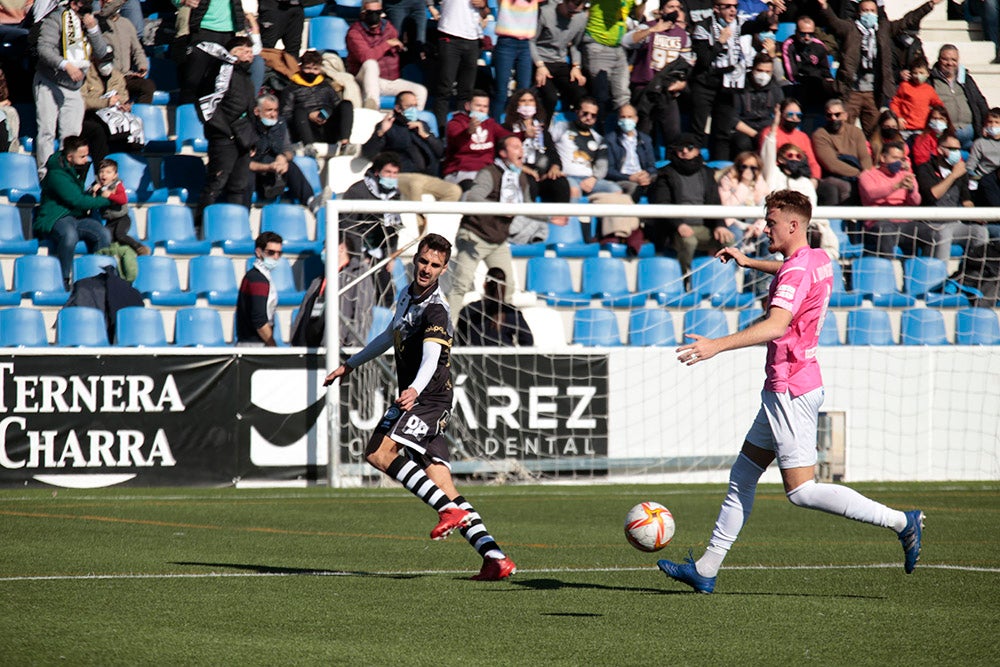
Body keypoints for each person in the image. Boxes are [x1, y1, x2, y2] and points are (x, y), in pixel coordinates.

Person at [658, 190, 925, 595]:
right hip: (792, 384)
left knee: (801, 491)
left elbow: (776, 325)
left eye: (771, 222)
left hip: (790, 387)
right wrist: (751, 262)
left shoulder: (796, 271)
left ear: (794, 225)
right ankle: (706, 570)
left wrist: (715, 345)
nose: (765, 228)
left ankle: (902, 522)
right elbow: (789, 271)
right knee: (743, 475)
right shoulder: (817, 258)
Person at [323, 233, 518, 582]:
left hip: (428, 397)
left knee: (379, 452)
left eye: (434, 265)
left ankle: (447, 512)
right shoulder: (407, 294)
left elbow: (431, 357)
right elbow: (388, 336)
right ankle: (494, 557)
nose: (427, 269)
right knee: (443, 484)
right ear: (417, 260)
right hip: (419, 396)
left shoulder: (437, 310)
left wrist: (413, 388)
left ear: (444, 269)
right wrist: (349, 365)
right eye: (423, 261)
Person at [447, 135, 554, 317]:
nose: (521, 151)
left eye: (521, 147)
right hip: (474, 235)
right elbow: (473, 197)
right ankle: (445, 335)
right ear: (503, 153)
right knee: (460, 285)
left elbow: (526, 206)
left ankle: (499, 332)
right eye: (515, 147)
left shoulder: (521, 178)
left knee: (507, 289)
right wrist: (500, 208)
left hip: (497, 240)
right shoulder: (489, 173)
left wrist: (550, 216)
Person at [817, 0, 939, 136]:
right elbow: (833, 22)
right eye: (865, 11)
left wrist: (930, 4)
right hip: (851, 91)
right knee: (844, 132)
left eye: (872, 11)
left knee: (874, 134)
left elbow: (908, 20)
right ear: (858, 13)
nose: (869, 14)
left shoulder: (884, 28)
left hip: (874, 93)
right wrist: (824, 6)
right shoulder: (850, 28)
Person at [362, 91, 462, 231]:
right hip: (400, 176)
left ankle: (434, 227)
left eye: (415, 105)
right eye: (409, 106)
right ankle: (421, 231)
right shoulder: (389, 126)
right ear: (398, 108)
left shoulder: (423, 125)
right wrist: (381, 132)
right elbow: (368, 152)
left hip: (427, 176)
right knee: (416, 184)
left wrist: (426, 136)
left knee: (454, 190)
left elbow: (440, 152)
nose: (413, 109)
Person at [689, 0, 772, 160]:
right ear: (716, 8)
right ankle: (695, 167)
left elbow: (757, 26)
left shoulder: (739, 24)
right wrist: (720, 41)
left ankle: (719, 165)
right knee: (698, 130)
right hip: (704, 84)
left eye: (735, 6)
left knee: (723, 131)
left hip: (727, 84)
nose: (733, 10)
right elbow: (704, 60)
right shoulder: (703, 27)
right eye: (728, 7)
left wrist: (770, 15)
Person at [33, 0, 110, 172]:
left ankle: (66, 174)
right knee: (47, 132)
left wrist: (93, 30)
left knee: (72, 136)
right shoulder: (56, 18)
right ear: (74, 4)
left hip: (74, 87)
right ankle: (45, 175)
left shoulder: (90, 21)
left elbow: (102, 52)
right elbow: (44, 49)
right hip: (49, 81)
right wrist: (66, 65)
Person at [34, 136, 113, 289]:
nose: (86, 159)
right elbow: (77, 200)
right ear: (70, 157)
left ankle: (98, 279)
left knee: (103, 234)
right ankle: (64, 278)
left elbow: (81, 199)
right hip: (56, 217)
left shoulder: (75, 169)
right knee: (69, 236)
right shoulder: (57, 175)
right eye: (82, 156)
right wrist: (108, 199)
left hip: (76, 217)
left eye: (86, 155)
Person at [646, 133, 731, 274]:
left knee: (729, 239)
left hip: (704, 228)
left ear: (697, 150)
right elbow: (662, 203)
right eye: (680, 147)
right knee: (689, 242)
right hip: (675, 229)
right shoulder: (665, 174)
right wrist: (679, 224)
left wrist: (719, 225)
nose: (684, 151)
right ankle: (684, 279)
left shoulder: (707, 173)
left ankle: (726, 279)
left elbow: (715, 201)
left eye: (689, 147)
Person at [197, 36, 257, 221]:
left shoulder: (246, 77)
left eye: (251, 51)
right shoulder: (221, 70)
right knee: (217, 182)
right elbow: (207, 105)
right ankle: (201, 226)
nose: (251, 55)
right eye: (246, 51)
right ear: (234, 52)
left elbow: (249, 110)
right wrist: (226, 132)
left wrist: (251, 139)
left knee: (239, 186)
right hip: (223, 138)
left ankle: (236, 227)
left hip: (242, 139)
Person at [625, 0, 693, 152]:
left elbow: (687, 64)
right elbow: (626, 41)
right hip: (644, 88)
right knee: (644, 131)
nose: (675, 10)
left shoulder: (683, 36)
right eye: (671, 7)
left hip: (667, 91)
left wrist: (681, 83)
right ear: (661, 10)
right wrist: (653, 30)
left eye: (678, 7)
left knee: (673, 133)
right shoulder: (648, 26)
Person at [341, 152, 405, 306]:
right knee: (359, 298)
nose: (391, 177)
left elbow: (394, 228)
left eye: (395, 174)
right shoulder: (358, 191)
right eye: (388, 172)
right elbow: (347, 227)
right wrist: (359, 254)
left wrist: (391, 254)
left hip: (379, 254)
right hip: (352, 251)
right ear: (377, 172)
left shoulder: (395, 195)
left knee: (387, 297)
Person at [916, 133, 990, 260]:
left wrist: (976, 215)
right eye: (953, 149)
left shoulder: (961, 172)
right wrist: (953, 175)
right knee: (943, 234)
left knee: (980, 232)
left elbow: (966, 201)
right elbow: (933, 195)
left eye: (959, 150)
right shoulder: (925, 168)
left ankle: (975, 274)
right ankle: (940, 275)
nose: (957, 153)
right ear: (940, 149)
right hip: (931, 224)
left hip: (954, 223)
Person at [247, 94, 325, 212]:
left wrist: (282, 157)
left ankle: (312, 201)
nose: (273, 114)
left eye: (276, 110)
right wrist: (267, 167)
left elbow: (289, 151)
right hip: (255, 171)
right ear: (257, 111)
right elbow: (245, 162)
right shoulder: (247, 128)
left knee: (291, 166)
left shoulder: (280, 124)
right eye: (269, 110)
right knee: (244, 174)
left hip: (274, 169)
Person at [346, 0, 428, 111]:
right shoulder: (354, 32)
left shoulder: (388, 28)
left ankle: (411, 123)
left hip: (388, 81)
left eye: (378, 12)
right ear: (363, 14)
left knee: (420, 91)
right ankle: (373, 109)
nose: (375, 15)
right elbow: (366, 56)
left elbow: (397, 47)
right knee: (371, 64)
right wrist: (387, 44)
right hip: (363, 79)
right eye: (370, 12)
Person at [280, 50, 356, 156]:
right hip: (305, 128)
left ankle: (345, 144)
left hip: (327, 128)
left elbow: (336, 106)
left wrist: (326, 114)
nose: (311, 72)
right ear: (301, 67)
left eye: (315, 69)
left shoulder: (326, 86)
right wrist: (309, 115)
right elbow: (285, 115)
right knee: (299, 111)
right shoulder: (291, 89)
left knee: (346, 104)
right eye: (308, 68)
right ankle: (308, 147)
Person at [431, 0, 487, 134]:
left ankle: (463, 129)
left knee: (466, 91)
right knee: (445, 88)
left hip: (473, 39)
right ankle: (441, 131)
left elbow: (485, 13)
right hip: (450, 36)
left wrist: (483, 6)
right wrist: (430, 6)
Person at [858, 142, 923, 258]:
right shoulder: (867, 175)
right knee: (885, 230)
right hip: (878, 223)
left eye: (901, 159)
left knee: (933, 232)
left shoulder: (906, 175)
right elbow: (871, 194)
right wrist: (896, 186)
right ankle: (887, 271)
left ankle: (926, 271)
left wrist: (911, 190)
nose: (898, 162)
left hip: (904, 224)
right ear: (883, 157)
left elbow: (916, 202)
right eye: (894, 158)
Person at [549, 97, 621, 200]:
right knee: (574, 190)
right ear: (577, 112)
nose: (589, 118)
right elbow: (548, 147)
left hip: (589, 178)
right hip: (566, 176)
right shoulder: (562, 127)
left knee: (615, 190)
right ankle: (574, 217)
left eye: (593, 115)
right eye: (585, 113)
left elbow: (602, 165)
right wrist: (554, 166)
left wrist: (594, 178)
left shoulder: (599, 138)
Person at [531, 0, 589, 122]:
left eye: (575, 12)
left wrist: (576, 66)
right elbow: (531, 41)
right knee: (550, 97)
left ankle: (579, 128)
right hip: (541, 60)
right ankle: (543, 129)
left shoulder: (581, 18)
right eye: (570, 11)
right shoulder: (546, 12)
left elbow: (575, 45)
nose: (572, 15)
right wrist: (539, 65)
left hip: (561, 61)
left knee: (580, 94)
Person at [442, 90, 512, 185]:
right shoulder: (455, 123)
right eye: (478, 106)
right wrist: (468, 132)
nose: (482, 110)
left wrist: (524, 134)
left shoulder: (490, 124)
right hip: (462, 171)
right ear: (467, 106)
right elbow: (457, 142)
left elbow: (508, 137)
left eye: (485, 107)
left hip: (487, 170)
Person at [811, 97, 872, 206]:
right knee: (847, 187)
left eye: (837, 114)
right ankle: (848, 221)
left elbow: (864, 157)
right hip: (832, 176)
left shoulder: (856, 132)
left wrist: (866, 175)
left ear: (845, 115)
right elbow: (832, 164)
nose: (833, 118)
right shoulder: (820, 135)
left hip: (857, 173)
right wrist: (859, 174)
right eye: (829, 115)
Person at [929, 44, 990, 150]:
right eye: (945, 59)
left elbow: (980, 101)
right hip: (945, 136)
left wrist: (987, 123)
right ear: (939, 60)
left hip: (971, 135)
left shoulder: (966, 79)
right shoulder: (931, 80)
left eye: (953, 60)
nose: (949, 63)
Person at [455, 267, 534, 346]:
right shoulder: (511, 312)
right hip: (505, 358)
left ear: (484, 285)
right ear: (504, 288)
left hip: (474, 357)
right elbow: (528, 341)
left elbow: (457, 340)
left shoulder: (469, 310)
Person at [97, 0, 155, 104]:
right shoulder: (97, 23)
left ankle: (136, 115)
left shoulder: (126, 24)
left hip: (126, 75)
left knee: (147, 86)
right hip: (107, 77)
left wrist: (142, 66)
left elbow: (137, 49)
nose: (109, 3)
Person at [490, 0, 540, 119]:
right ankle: (494, 126)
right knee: (501, 91)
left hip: (525, 44)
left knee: (524, 91)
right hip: (506, 42)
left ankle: (520, 126)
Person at [91, 157, 149, 256]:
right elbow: (92, 203)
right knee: (106, 238)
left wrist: (110, 195)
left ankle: (139, 248)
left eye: (108, 172)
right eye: (101, 172)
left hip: (122, 218)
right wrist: (93, 193)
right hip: (110, 221)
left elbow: (123, 200)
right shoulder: (97, 186)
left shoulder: (117, 185)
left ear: (115, 176)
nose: (104, 174)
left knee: (120, 235)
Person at [235, 231, 283, 346]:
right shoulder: (258, 280)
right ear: (258, 252)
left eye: (279, 253)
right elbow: (259, 320)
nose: (276, 257)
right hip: (254, 344)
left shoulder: (256, 276)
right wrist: (272, 344)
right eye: (271, 252)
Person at [604, 103, 657, 201]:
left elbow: (651, 166)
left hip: (643, 176)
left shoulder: (645, 139)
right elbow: (609, 170)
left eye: (630, 117)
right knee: (633, 187)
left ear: (636, 119)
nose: (626, 120)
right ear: (618, 120)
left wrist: (645, 174)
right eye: (623, 117)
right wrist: (630, 178)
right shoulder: (610, 140)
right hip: (623, 179)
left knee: (662, 183)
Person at [757, 98, 820, 181]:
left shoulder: (803, 137)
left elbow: (812, 163)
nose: (794, 118)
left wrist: (815, 179)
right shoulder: (769, 132)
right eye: (790, 114)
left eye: (798, 116)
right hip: (778, 177)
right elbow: (768, 159)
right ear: (781, 114)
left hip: (802, 177)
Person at [718, 150, 768, 247]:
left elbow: (766, 209)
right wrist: (744, 184)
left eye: (753, 168)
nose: (748, 171)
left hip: (754, 224)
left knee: (768, 236)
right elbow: (728, 208)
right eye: (744, 167)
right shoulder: (727, 182)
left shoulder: (761, 184)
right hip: (734, 222)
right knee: (736, 235)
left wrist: (756, 227)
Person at [889, 55, 943, 137]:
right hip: (906, 128)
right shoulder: (904, 86)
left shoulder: (929, 89)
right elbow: (895, 103)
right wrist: (898, 118)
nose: (918, 76)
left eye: (921, 73)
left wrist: (938, 119)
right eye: (915, 73)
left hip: (923, 129)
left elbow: (938, 105)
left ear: (927, 74)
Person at [966, 108, 1000, 208]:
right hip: (985, 181)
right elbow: (970, 165)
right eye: (990, 122)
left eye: (997, 122)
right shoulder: (980, 143)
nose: (993, 125)